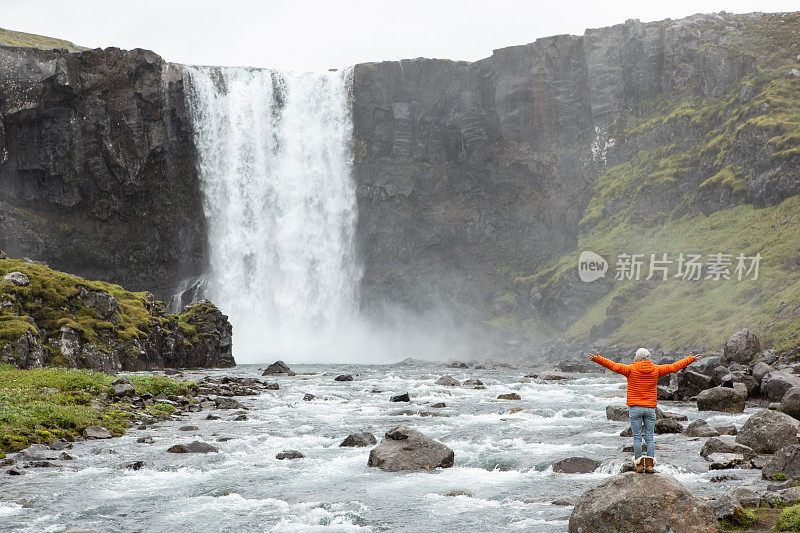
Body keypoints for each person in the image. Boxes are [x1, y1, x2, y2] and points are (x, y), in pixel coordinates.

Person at [587, 348, 701, 474]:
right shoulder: (656, 369)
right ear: (649, 358)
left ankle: (639, 466)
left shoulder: (631, 369)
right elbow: (674, 367)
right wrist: (690, 359)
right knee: (649, 437)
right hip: (650, 408)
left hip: (635, 408)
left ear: (636, 357)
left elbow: (613, 366)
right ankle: (650, 465)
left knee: (637, 437)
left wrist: (598, 359)